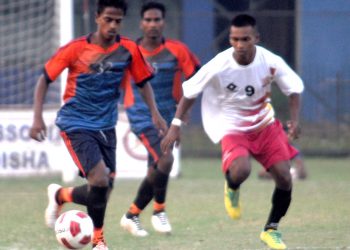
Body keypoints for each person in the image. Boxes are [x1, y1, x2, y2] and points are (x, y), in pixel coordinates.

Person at [29, 0, 167, 249]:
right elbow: (44, 78)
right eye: (108, 19)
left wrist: (155, 113)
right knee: (101, 181)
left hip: (106, 125)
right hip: (76, 123)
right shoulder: (75, 49)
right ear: (97, 17)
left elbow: (143, 81)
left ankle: (61, 195)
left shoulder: (128, 49)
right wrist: (37, 117)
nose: (112, 25)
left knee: (103, 189)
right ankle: (98, 240)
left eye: (117, 21)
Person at [161, 14, 304, 250]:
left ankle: (271, 230)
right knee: (241, 171)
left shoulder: (270, 61)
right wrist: (175, 126)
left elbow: (294, 88)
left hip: (265, 125)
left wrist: (295, 120)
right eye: (234, 39)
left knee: (285, 177)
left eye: (245, 39)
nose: (239, 45)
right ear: (230, 39)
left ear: (256, 38)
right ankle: (232, 186)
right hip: (231, 126)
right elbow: (190, 90)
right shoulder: (220, 63)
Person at [119, 1, 200, 237]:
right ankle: (143, 213)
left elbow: (196, 78)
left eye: (157, 20)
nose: (152, 24)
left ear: (164, 22)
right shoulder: (128, 51)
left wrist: (182, 112)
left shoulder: (177, 50)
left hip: (169, 115)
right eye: (148, 20)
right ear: (141, 23)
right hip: (140, 113)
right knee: (165, 160)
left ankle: (145, 214)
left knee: (156, 166)